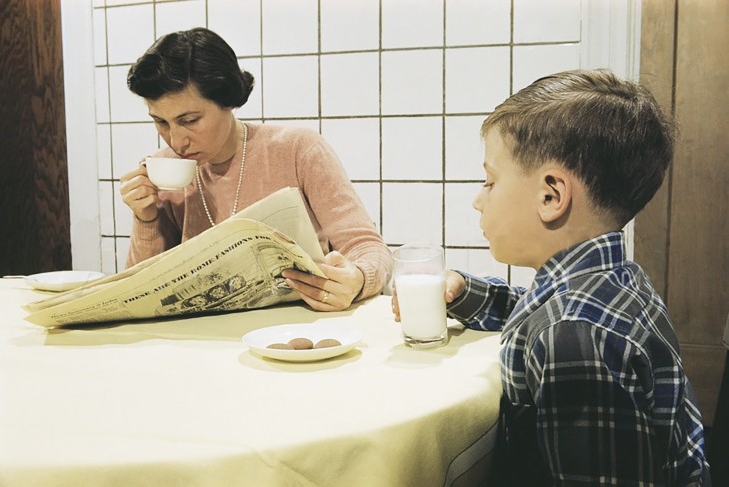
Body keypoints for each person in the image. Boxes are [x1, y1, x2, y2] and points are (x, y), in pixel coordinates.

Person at [393, 69, 710, 485]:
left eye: (490, 181)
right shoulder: (608, 281)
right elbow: (535, 311)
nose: (477, 199)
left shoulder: (576, 339)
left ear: (551, 196)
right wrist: (465, 293)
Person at [119, 27, 392, 312]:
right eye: (161, 122)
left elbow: (367, 246)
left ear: (228, 101)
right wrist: (146, 218)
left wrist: (358, 279)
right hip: (205, 339)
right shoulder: (164, 170)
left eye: (189, 120)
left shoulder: (297, 149)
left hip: (299, 328)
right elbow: (136, 296)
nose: (176, 141)